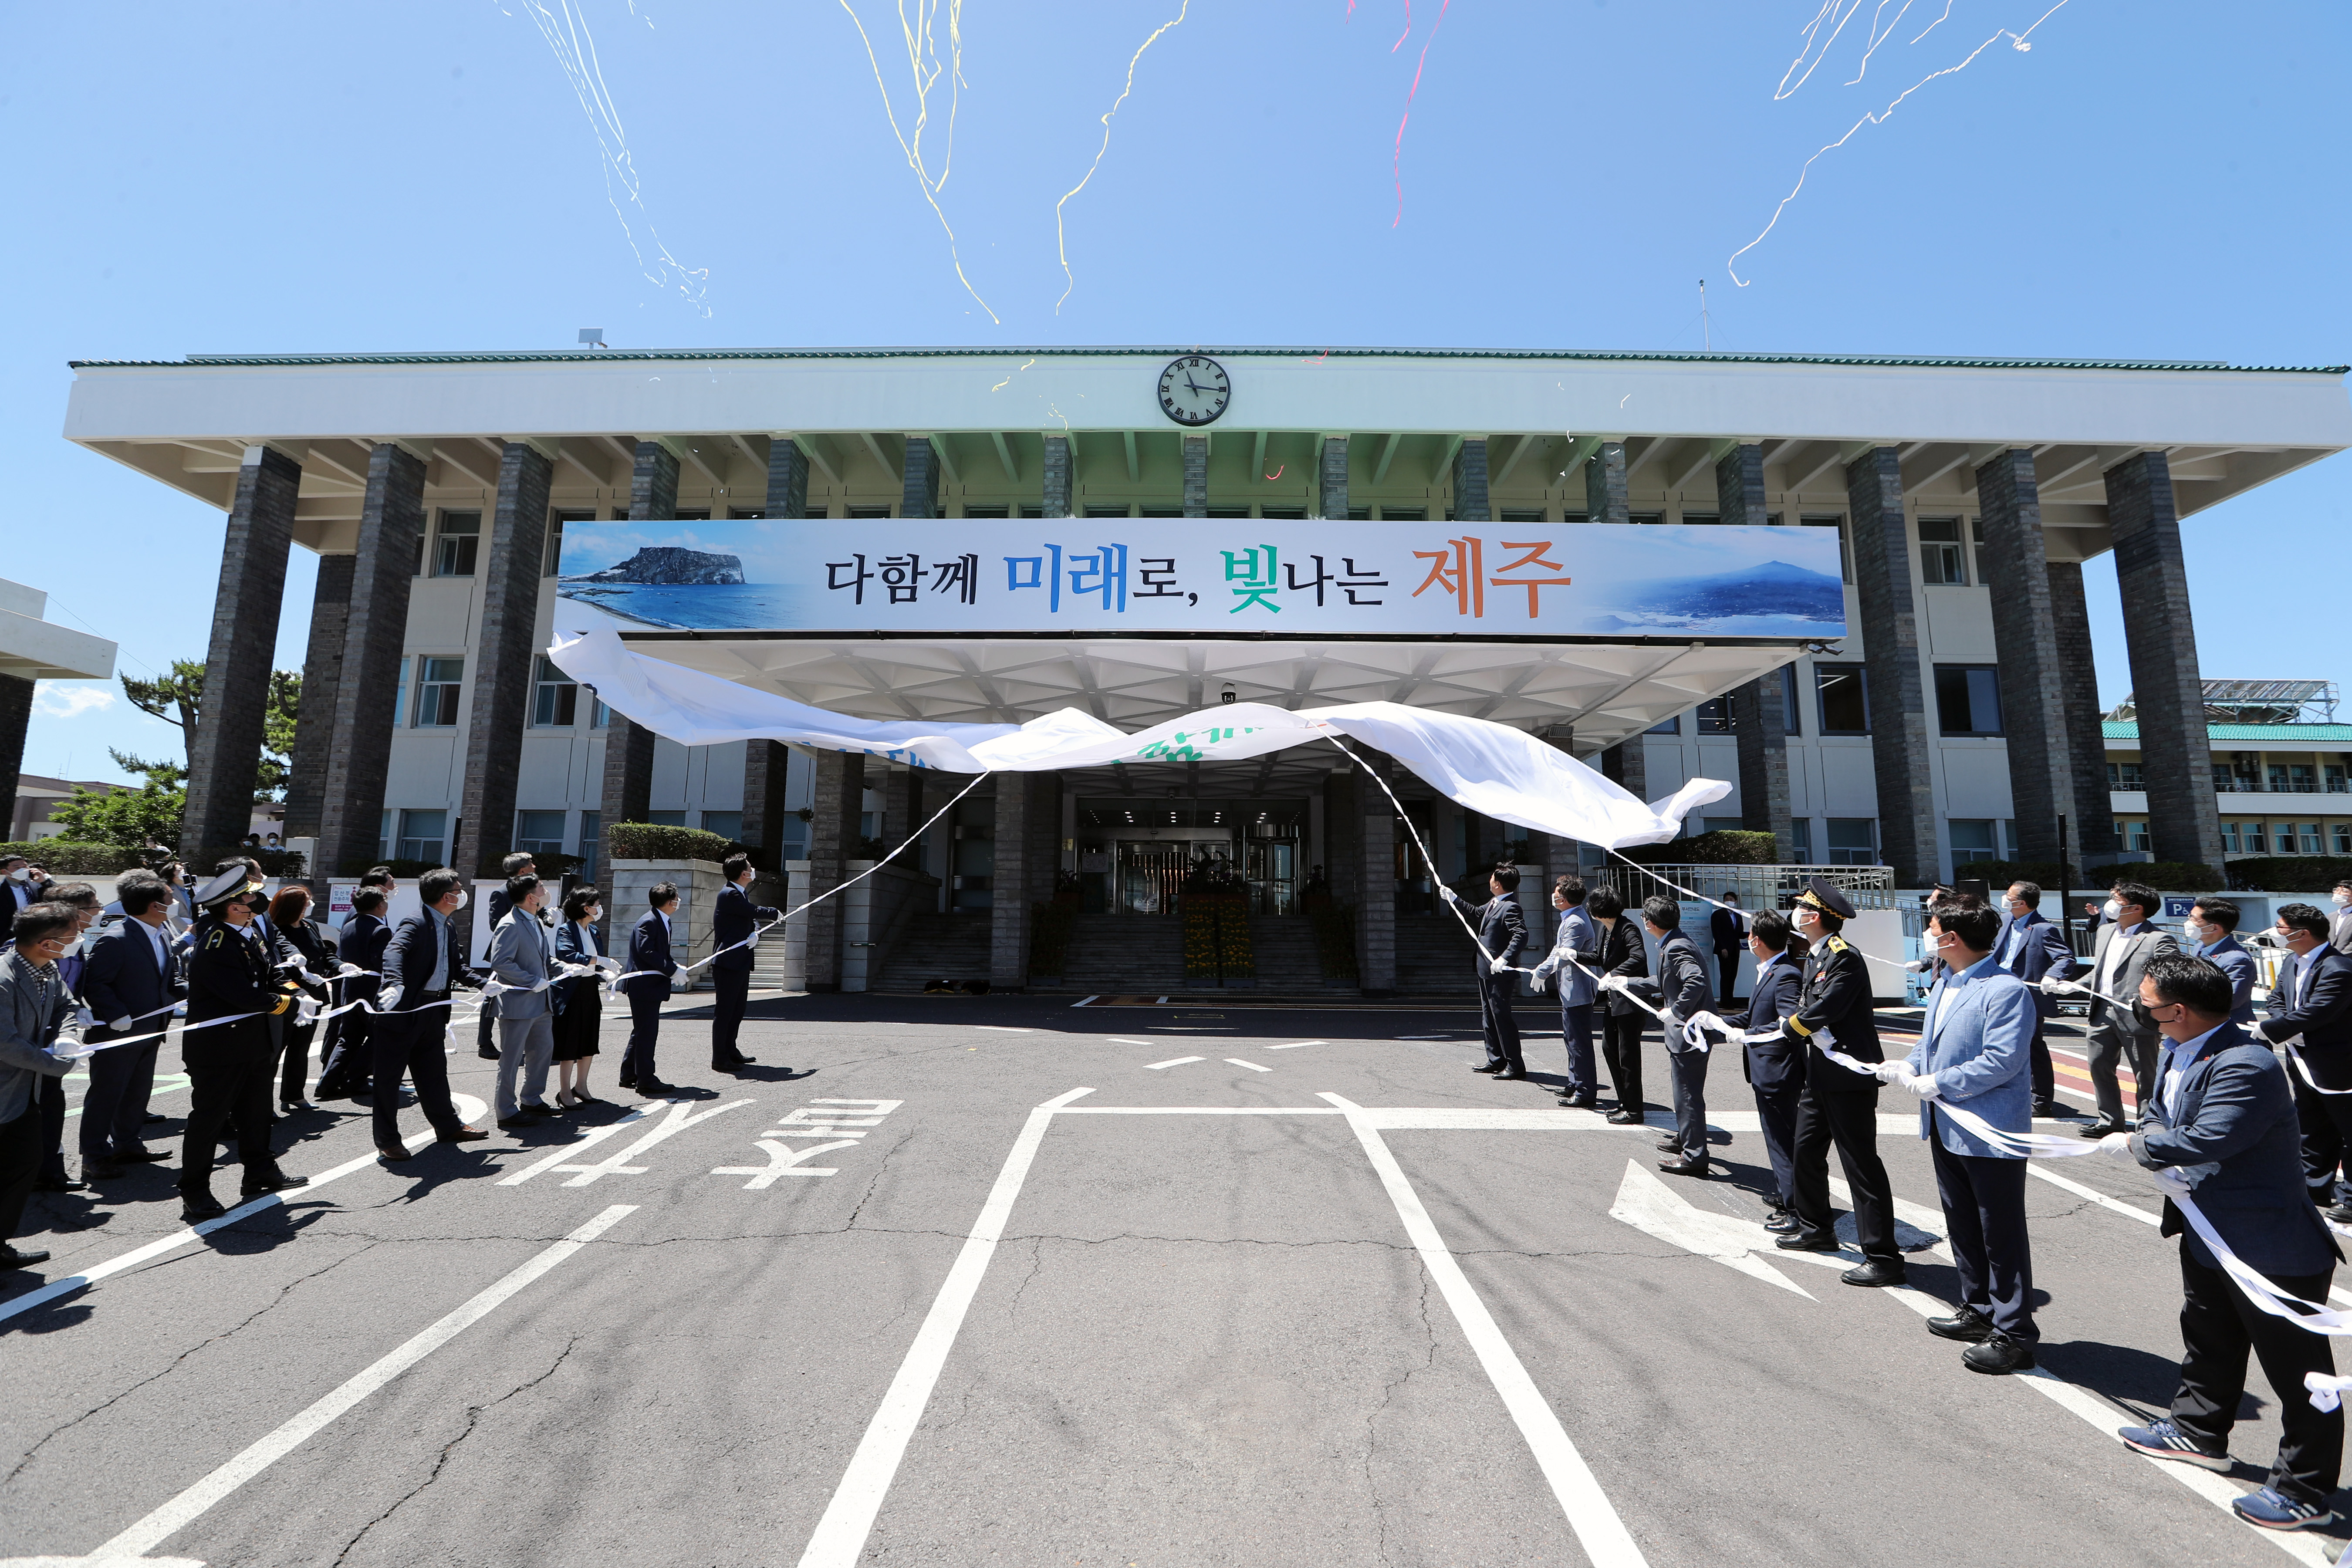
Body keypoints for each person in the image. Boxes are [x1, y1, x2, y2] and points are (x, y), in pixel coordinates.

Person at [2116, 953, 2344, 1532]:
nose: (2144, 1016)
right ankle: (2197, 1431)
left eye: (2148, 1008)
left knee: (2301, 1376)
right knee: (2209, 1339)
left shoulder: (2246, 1064)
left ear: (2180, 1010)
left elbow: (2208, 1136)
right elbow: (2155, 1113)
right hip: (2209, 1233)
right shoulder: (2178, 1047)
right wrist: (2151, 1136)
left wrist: (2145, 1148)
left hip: (2269, 1247)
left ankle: (2304, 1491)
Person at [1891, 896, 2041, 1373]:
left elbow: (2003, 1060)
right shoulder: (1946, 982)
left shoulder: (2005, 989)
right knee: (1962, 1225)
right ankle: (1978, 1309)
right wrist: (1909, 1066)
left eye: (1932, 928)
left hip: (1989, 1130)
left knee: (2000, 1232)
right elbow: (1929, 1043)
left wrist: (1939, 1082)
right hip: (1945, 1124)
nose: (1929, 936)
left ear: (1951, 939)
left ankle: (2015, 1331)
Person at [1778, 876, 1904, 1287]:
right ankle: (1817, 1230)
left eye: (1800, 907)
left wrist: (1791, 1028)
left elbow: (1828, 1005)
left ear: (1813, 916)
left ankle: (1883, 1257)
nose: (1794, 911)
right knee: (1806, 1151)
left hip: (1849, 1079)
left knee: (1860, 1165)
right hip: (1821, 1076)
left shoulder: (1843, 957)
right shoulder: (1815, 955)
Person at [178, 863, 307, 1221]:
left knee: (256, 1112)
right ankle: (195, 1191)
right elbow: (244, 996)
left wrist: (303, 990)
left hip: (253, 1043)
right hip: (219, 1050)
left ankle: (259, 1172)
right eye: (249, 896)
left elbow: (272, 974)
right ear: (234, 906)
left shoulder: (248, 933)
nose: (255, 900)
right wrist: (292, 1005)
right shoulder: (217, 943)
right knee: (209, 1120)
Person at [372, 868, 491, 1161]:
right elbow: (394, 952)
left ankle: (448, 1127)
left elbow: (457, 967)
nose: (462, 894)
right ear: (445, 896)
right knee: (388, 1081)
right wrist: (394, 983)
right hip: (403, 1012)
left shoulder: (447, 925)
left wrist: (486, 984)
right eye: (458, 889)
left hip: (433, 1012)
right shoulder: (415, 922)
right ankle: (388, 1140)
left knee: (434, 1075)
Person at [77, 875, 184, 1179]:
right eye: (169, 898)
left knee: (137, 1091)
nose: (174, 903)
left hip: (152, 1028)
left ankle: (127, 1144)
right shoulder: (117, 938)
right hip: (118, 1033)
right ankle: (94, 1155)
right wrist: (115, 1014)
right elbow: (96, 983)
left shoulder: (160, 932)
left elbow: (169, 980)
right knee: (107, 1094)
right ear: (154, 905)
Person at [2253, 902, 2352, 1221]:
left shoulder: (2338, 967)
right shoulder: (2291, 962)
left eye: (2281, 927)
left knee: (2349, 1131)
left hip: (2337, 1065)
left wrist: (2272, 1030)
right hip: (2302, 1060)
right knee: (2311, 1126)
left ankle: (2350, 1199)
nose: (2276, 933)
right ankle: (2313, 1187)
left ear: (2302, 933)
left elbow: (2320, 1010)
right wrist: (2283, 1025)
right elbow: (2277, 999)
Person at [0, 903, 83, 1266]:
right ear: (47, 942)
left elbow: (67, 1006)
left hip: (25, 1091)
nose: (77, 941)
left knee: (24, 1164)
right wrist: (55, 1064)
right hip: (7, 1087)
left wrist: (67, 1038)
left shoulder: (46, 967)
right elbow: (5, 1043)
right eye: (70, 936)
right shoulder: (3, 979)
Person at [2079, 882, 2176, 1139]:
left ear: (2137, 908)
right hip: (2101, 1012)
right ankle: (2109, 1120)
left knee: (2146, 1075)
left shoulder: (2158, 939)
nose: (2111, 903)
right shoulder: (2105, 932)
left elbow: (2169, 977)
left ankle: (2148, 1124)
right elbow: (2100, 972)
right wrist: (2071, 985)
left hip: (2138, 1016)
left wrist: (2150, 1004)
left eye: (2117, 899)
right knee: (2099, 1066)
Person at [1636, 896, 1720, 1177]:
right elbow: (1663, 982)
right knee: (1684, 1093)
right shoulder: (1674, 942)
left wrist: (1677, 1010)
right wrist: (1626, 983)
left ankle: (1694, 1156)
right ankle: (1686, 1138)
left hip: (1689, 1034)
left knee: (1687, 1095)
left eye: (1645, 917)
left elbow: (1695, 980)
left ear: (1651, 922)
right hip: (1687, 1033)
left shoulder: (1676, 946)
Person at [1740, 909, 1807, 1231]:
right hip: (1766, 1069)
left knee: (1783, 1141)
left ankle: (1796, 1209)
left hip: (1778, 1071)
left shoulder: (1785, 974)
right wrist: (1713, 1023)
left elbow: (1786, 1022)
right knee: (1777, 1138)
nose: (1748, 938)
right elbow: (1754, 1018)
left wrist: (1746, 1034)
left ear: (1758, 939)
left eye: (1751, 933)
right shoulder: (1770, 969)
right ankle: (1786, 1193)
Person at [1994, 880, 2075, 1119]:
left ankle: (2041, 1099)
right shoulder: (2005, 921)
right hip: (1999, 992)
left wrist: (2052, 976)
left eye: (2010, 896)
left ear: (2022, 903)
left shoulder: (2043, 929)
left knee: (2032, 1047)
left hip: (2026, 997)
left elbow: (2065, 958)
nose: (2005, 898)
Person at [487, 872, 560, 1129]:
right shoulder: (510, 924)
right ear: (531, 897)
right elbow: (500, 962)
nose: (545, 891)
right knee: (511, 1059)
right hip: (519, 1003)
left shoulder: (535, 921)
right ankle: (506, 1111)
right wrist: (532, 981)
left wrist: (565, 967)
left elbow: (544, 960)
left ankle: (531, 1098)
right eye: (541, 888)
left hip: (541, 1001)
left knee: (542, 1052)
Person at [1443, 865, 1529, 1082]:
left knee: (1502, 1018)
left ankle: (1515, 1065)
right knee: (1489, 1017)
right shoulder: (1494, 903)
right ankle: (1496, 1059)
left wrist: (1505, 958)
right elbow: (1475, 913)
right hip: (1485, 969)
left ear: (1498, 884)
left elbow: (1521, 935)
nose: (1489, 880)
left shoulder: (1510, 907)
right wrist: (1454, 899)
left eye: (1492, 878)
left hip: (1499, 972)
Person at [1531, 875, 1602, 1109]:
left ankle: (1585, 1090)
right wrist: (1542, 970)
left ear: (1565, 898)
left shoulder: (1575, 922)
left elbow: (1564, 955)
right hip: (1571, 990)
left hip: (1578, 990)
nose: (1554, 895)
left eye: (1557, 892)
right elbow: (1558, 951)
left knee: (1579, 1041)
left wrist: (1542, 972)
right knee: (1571, 1039)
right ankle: (1575, 1082)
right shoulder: (1570, 918)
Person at [265, 885, 336, 1115]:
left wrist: (340, 966)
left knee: (300, 1048)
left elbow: (325, 955)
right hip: (289, 998)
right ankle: (263, 1102)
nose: (309, 905)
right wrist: (302, 983)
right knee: (275, 1051)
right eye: (306, 902)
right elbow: (277, 968)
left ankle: (294, 1095)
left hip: (313, 997)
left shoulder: (310, 925)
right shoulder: (277, 930)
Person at [315, 887, 389, 1101]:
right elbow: (381, 963)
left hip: (351, 989)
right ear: (379, 905)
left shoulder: (348, 926)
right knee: (379, 1037)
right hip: (373, 992)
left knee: (348, 1038)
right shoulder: (380, 930)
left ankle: (327, 1083)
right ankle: (355, 1079)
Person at [710, 854, 777, 1074]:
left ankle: (731, 1051)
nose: (753, 869)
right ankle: (720, 1058)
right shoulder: (729, 894)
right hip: (728, 963)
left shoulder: (740, 892)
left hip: (740, 962)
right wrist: (774, 913)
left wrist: (755, 932)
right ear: (744, 874)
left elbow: (749, 919)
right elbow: (752, 911)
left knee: (737, 1010)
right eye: (750, 867)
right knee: (725, 1012)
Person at [1591, 887, 1649, 1124]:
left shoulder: (1628, 928)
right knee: (1609, 1048)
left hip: (1630, 1001)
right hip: (1613, 1000)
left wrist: (1614, 974)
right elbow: (1598, 957)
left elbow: (1639, 957)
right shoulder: (1605, 930)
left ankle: (1634, 1109)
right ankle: (1624, 1101)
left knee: (1628, 1056)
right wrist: (1572, 954)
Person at [622, 882, 686, 1097]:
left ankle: (630, 1074)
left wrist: (675, 966)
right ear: (670, 902)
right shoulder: (649, 922)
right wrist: (672, 970)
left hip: (649, 986)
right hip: (643, 986)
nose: (679, 901)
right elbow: (647, 951)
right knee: (647, 1033)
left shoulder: (662, 920)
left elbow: (660, 952)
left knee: (641, 1031)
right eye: (677, 898)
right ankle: (646, 1080)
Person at [476, 852, 536, 1061]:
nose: (535, 868)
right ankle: (485, 1043)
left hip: (528, 950)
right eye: (531, 865)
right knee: (493, 994)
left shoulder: (531, 892)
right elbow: (496, 925)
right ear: (522, 871)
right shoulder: (501, 894)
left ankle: (527, 1045)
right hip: (508, 951)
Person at [552, 885, 607, 1107]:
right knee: (570, 1042)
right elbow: (567, 954)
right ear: (586, 908)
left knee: (589, 1039)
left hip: (590, 989)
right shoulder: (566, 930)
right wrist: (599, 962)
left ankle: (581, 1086)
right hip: (572, 992)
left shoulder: (593, 931)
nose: (600, 908)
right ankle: (564, 1091)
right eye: (596, 905)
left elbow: (598, 961)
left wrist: (604, 972)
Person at [2184, 896, 2256, 1028]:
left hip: (2229, 1031)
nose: (2189, 923)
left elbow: (2230, 1001)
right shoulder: (2199, 948)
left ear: (2214, 928)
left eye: (2194, 919)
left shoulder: (2237, 960)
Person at [1709, 890, 1748, 1009]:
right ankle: (1725, 1001)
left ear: (1736, 902)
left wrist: (1752, 933)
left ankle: (1730, 1000)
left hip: (1735, 949)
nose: (1729, 902)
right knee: (1726, 975)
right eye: (1727, 899)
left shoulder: (1738, 915)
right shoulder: (1718, 914)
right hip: (1724, 950)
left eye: (1731, 900)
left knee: (1733, 975)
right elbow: (1717, 933)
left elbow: (1739, 934)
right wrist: (1722, 947)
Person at [2330, 879, 2352, 957]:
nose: (2338, 894)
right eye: (2336, 890)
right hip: (2330, 961)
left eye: (2344, 891)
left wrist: (2339, 957)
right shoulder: (2331, 916)